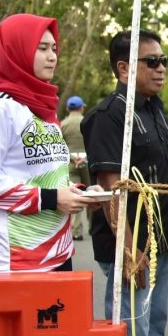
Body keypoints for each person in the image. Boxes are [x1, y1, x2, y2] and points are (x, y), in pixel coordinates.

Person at [82, 29, 168, 336]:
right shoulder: (110, 115)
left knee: (152, 322)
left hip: (159, 243)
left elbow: (165, 177)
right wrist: (129, 248)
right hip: (131, 245)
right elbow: (111, 187)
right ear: (124, 68)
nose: (161, 69)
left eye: (163, 61)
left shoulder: (155, 109)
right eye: (152, 62)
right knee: (127, 328)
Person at [0, 14, 97, 273]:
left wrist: (79, 192)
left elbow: (46, 174)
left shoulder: (44, 110)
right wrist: (51, 199)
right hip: (16, 260)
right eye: (42, 48)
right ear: (16, 51)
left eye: (54, 49)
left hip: (59, 253)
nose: (52, 57)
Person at [61, 95, 90, 240]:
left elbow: (59, 146)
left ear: (67, 108)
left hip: (71, 163)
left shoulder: (63, 124)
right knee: (92, 192)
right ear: (82, 107)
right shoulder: (87, 122)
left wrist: (73, 157)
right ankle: (94, 226)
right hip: (87, 162)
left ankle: (77, 230)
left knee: (76, 193)